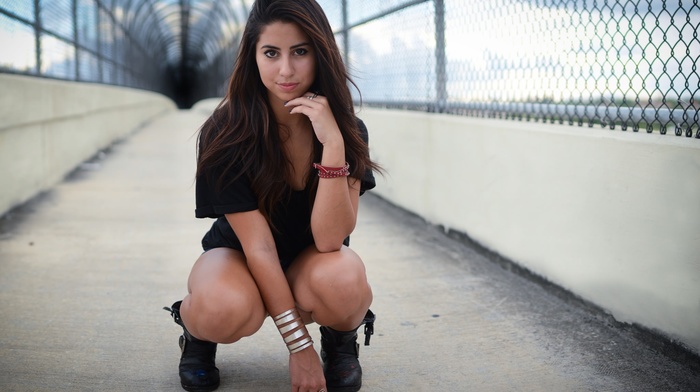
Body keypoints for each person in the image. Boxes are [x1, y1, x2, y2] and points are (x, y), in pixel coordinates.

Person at [163, 1, 381, 391]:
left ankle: (340, 342)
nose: (286, 70)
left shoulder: (348, 131)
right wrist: (299, 348)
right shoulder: (226, 131)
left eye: (300, 51)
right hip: (241, 257)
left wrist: (332, 144)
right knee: (222, 307)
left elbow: (331, 239)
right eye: (271, 53)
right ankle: (197, 335)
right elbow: (259, 249)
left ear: (321, 53)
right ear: (253, 56)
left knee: (345, 278)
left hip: (311, 260)